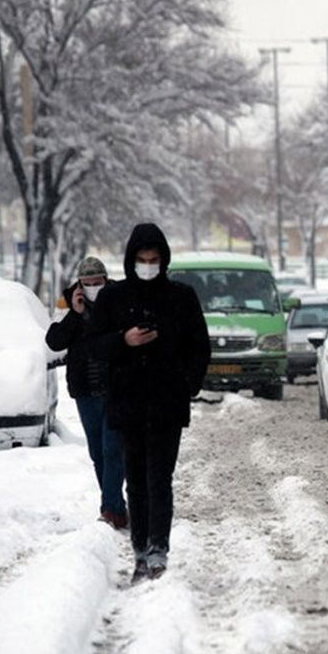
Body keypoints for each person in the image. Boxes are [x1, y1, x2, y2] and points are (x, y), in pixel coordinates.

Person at [87, 223, 210, 581]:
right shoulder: (113, 298)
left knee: (161, 478)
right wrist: (124, 340)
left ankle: (159, 548)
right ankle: (140, 548)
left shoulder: (181, 297)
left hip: (167, 403)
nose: (148, 265)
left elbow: (199, 347)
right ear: (130, 260)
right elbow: (94, 345)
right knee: (136, 480)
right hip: (127, 402)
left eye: (154, 259)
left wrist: (188, 383)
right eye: (141, 259)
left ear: (163, 260)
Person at [45, 256, 128, 530]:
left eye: (98, 282)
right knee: (98, 452)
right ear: (79, 284)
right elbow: (54, 340)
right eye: (88, 283)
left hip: (116, 387)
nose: (93, 287)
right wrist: (75, 313)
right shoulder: (67, 302)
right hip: (85, 390)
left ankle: (110, 509)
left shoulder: (120, 298)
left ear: (106, 280)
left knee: (112, 448)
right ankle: (116, 505)